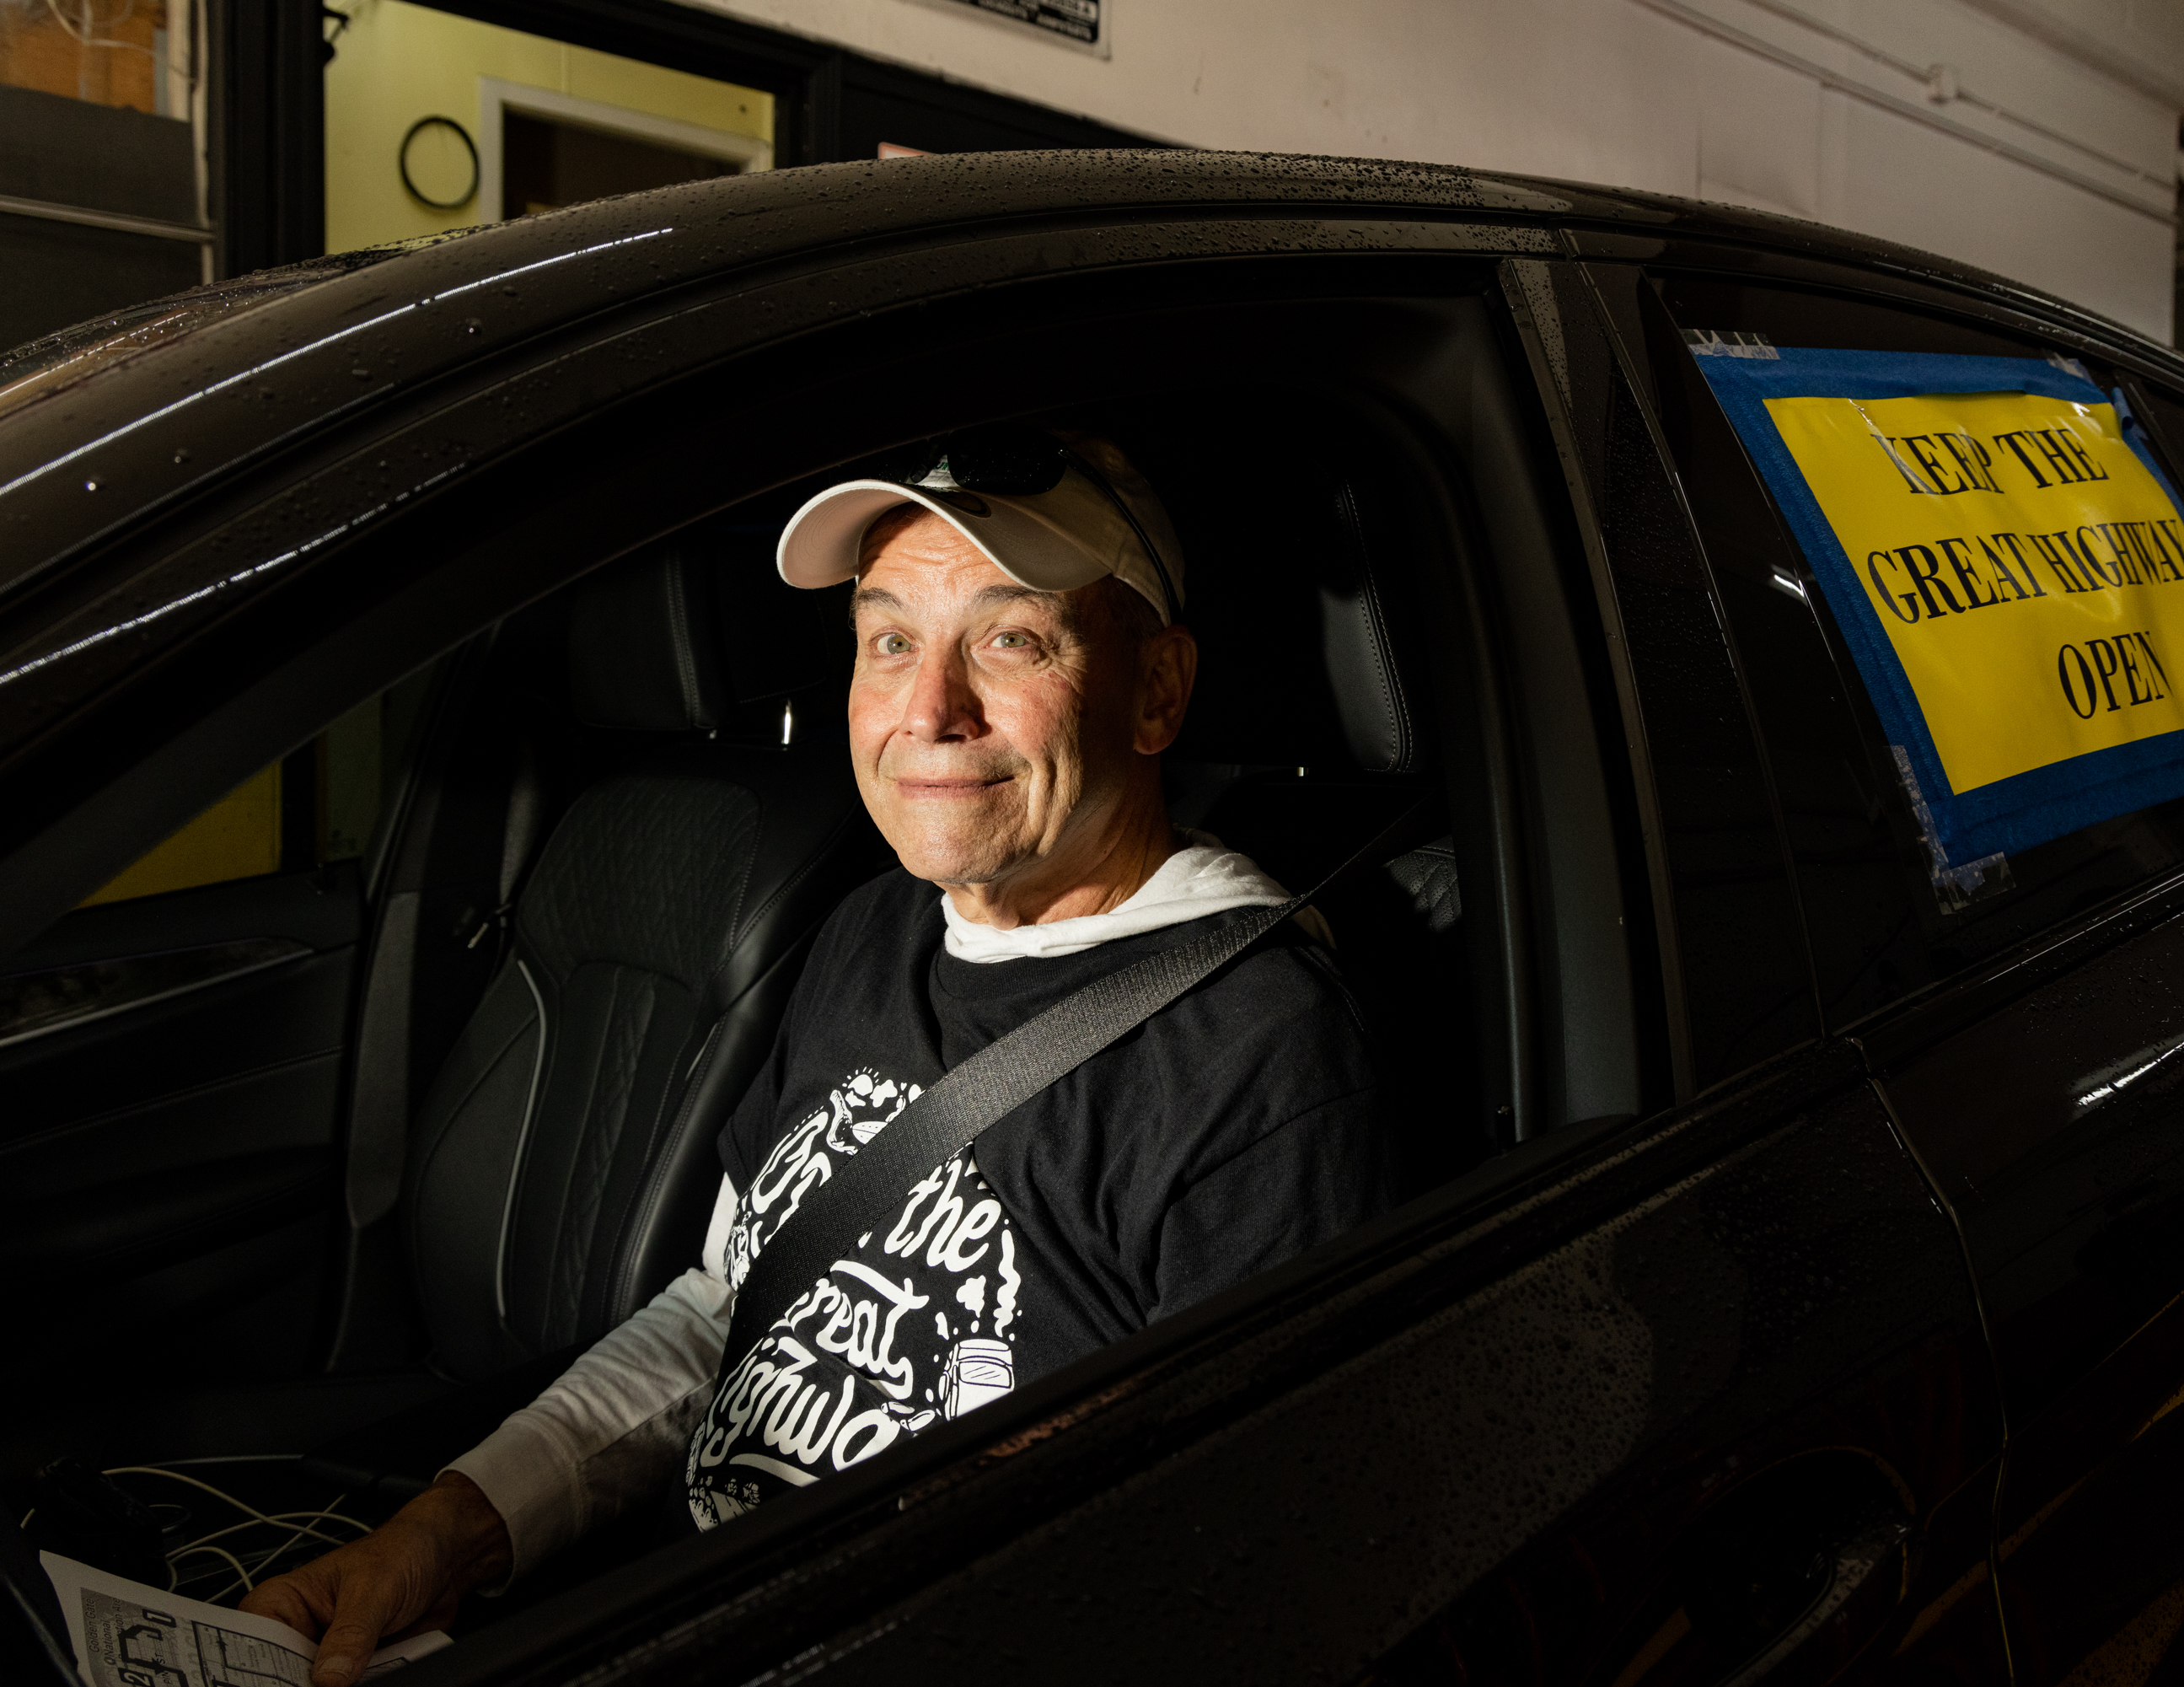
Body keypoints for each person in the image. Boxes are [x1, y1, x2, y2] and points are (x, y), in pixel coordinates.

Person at [241, 427, 1397, 1683]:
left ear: (1158, 688)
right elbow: (726, 1310)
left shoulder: (1257, 1051)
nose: (928, 711)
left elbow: (1234, 1583)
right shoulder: (876, 927)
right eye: (890, 638)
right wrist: (449, 1532)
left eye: (1012, 638)